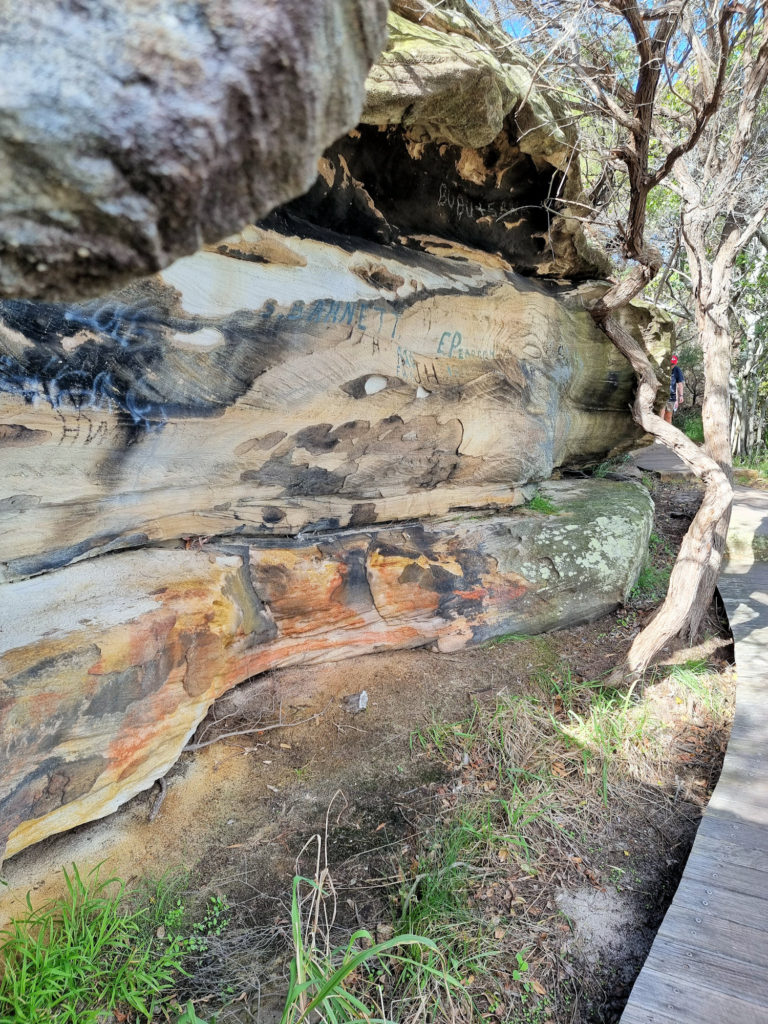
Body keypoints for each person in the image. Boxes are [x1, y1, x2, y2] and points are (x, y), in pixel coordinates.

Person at [664, 354, 684, 423]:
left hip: (671, 396)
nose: (671, 365)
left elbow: (679, 384)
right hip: (662, 396)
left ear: (676, 362)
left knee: (668, 416)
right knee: (660, 415)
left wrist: (680, 396)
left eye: (673, 364)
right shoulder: (663, 368)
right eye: (671, 364)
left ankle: (667, 432)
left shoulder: (677, 370)